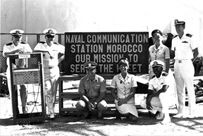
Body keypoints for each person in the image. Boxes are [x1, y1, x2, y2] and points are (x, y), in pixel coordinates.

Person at [33, 28, 65, 119]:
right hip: (45, 70)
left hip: (54, 70)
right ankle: (51, 111)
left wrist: (58, 61)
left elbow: (66, 52)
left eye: (52, 37)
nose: (51, 38)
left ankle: (52, 109)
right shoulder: (40, 46)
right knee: (48, 90)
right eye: (49, 36)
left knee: (54, 91)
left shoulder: (57, 46)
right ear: (45, 37)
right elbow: (34, 54)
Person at [171, 19, 199, 118]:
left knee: (190, 88)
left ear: (183, 27)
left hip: (187, 63)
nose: (177, 28)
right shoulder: (174, 39)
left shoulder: (189, 38)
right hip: (177, 64)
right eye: (176, 26)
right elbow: (173, 52)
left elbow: (196, 52)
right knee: (179, 89)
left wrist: (189, 61)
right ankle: (181, 111)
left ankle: (192, 112)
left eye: (179, 26)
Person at [3, 29, 32, 113]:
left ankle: (24, 108)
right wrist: (15, 51)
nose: (17, 38)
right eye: (16, 37)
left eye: (19, 37)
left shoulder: (25, 45)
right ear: (12, 37)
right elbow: (5, 54)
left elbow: (30, 53)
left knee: (24, 88)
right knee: (13, 89)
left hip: (22, 68)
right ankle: (15, 110)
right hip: (12, 68)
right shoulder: (8, 46)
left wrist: (23, 52)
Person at [140, 60, 175, 124]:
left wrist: (152, 96)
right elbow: (149, 92)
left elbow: (164, 89)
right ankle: (162, 111)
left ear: (161, 68)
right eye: (154, 68)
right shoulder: (152, 80)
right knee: (143, 103)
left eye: (157, 67)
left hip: (170, 99)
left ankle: (167, 117)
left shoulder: (166, 77)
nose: (155, 69)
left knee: (162, 95)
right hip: (160, 100)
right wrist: (148, 102)